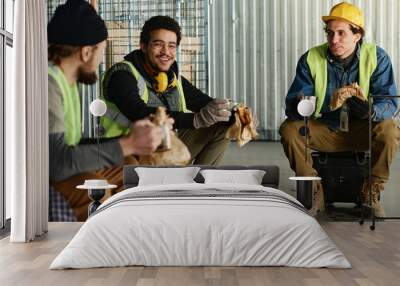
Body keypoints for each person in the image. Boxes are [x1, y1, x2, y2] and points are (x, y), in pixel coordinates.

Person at [279, 2, 400, 217]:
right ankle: (313, 191)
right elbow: (293, 107)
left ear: (358, 35)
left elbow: (390, 103)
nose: (334, 40)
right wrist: (314, 104)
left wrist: (370, 111)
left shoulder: (377, 58)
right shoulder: (311, 58)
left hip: (361, 131)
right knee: (290, 130)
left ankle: (371, 190)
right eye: (330, 33)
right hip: (325, 129)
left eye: (341, 33)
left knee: (390, 129)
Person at [48, 0, 164, 221]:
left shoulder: (68, 82)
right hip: (49, 175)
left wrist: (128, 142)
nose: (101, 60)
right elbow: (58, 163)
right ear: (86, 52)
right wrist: (127, 144)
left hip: (61, 164)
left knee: (129, 166)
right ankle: (96, 250)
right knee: (98, 189)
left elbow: (74, 143)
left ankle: (130, 235)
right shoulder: (50, 84)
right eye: (102, 51)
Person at [101, 15, 232, 165]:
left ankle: (201, 184)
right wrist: (194, 120)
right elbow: (139, 112)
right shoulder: (122, 75)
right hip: (130, 154)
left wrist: (236, 115)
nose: (166, 52)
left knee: (221, 126)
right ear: (143, 46)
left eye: (171, 46)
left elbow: (204, 102)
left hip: (165, 145)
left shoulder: (171, 78)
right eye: (158, 44)